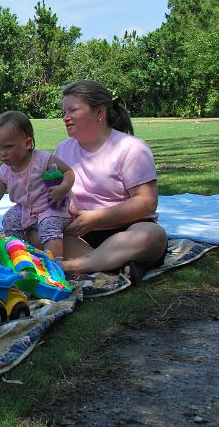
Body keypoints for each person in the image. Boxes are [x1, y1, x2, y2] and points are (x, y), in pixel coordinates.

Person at [54, 79, 167, 282]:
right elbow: (53, 189)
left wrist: (95, 218)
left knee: (151, 234)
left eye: (72, 110)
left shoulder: (131, 148)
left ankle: (72, 266)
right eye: (64, 112)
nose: (66, 118)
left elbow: (147, 202)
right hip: (79, 236)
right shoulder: (63, 149)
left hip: (127, 232)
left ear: (100, 112)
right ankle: (114, 265)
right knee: (34, 230)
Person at [0, 111, 74, 260]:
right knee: (9, 219)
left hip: (51, 206)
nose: (2, 153)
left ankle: (55, 265)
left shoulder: (43, 160)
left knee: (49, 226)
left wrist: (63, 188)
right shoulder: (5, 170)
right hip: (26, 208)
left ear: (27, 143)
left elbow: (68, 172)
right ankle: (19, 254)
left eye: (8, 147)